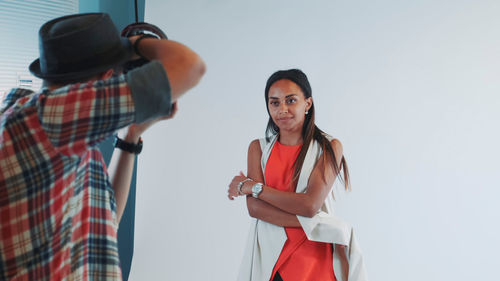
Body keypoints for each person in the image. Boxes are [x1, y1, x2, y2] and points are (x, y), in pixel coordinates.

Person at [0, 13, 205, 280]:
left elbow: (106, 222)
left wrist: (131, 137)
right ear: (108, 75)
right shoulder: (48, 118)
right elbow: (190, 66)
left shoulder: (56, 131)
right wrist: (132, 45)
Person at [227, 69, 367, 281]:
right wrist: (310, 220)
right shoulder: (258, 149)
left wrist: (254, 188)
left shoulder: (329, 147)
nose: (282, 109)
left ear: (307, 104)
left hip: (316, 259)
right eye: (274, 103)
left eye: (290, 100)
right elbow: (255, 209)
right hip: (272, 258)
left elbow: (310, 205)